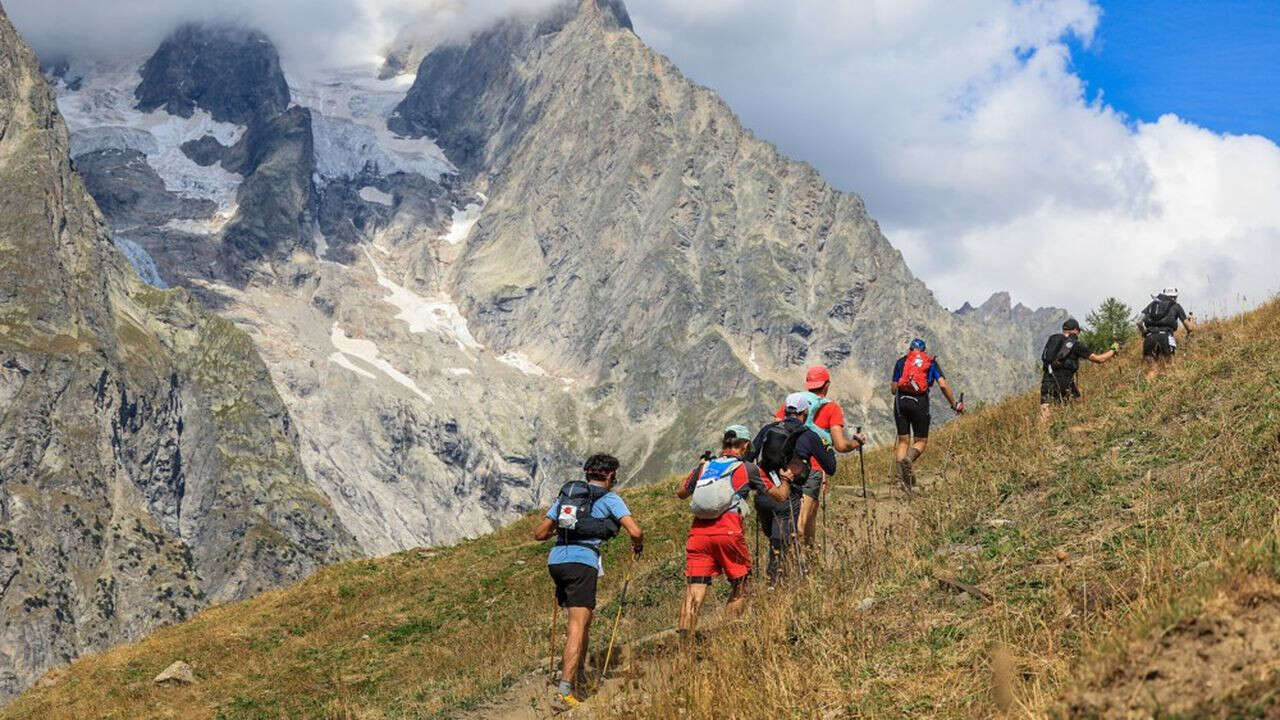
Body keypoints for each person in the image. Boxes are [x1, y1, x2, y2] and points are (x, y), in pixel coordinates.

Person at [533, 454, 643, 709]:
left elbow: (539, 533)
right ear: (609, 475)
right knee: (577, 626)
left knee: (583, 620)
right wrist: (637, 545)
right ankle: (565, 691)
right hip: (582, 563)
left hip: (557, 560)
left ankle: (579, 672)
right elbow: (635, 531)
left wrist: (561, 531)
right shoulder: (610, 498)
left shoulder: (568, 496)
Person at [675, 425, 789, 635]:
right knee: (741, 583)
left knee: (694, 589)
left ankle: (684, 646)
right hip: (728, 531)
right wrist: (787, 479)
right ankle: (728, 636)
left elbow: (682, 493)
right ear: (745, 445)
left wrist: (700, 467)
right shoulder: (747, 469)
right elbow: (780, 496)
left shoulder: (704, 467)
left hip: (698, 534)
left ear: (723, 443)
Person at [771, 366, 866, 547]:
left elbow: (775, 428)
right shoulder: (831, 407)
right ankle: (801, 564)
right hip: (813, 467)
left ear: (808, 385)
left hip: (786, 467)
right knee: (805, 520)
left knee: (796, 514)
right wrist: (857, 442)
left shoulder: (791, 405)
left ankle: (807, 562)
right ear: (826, 385)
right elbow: (840, 445)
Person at [746, 394, 837, 583]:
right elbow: (831, 468)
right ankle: (775, 586)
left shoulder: (768, 429)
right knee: (780, 544)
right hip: (787, 498)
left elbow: (749, 457)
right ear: (805, 412)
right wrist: (827, 448)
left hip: (763, 496)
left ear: (786, 410)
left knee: (775, 541)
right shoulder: (809, 436)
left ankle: (779, 579)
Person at [890, 339, 963, 491]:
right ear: (924, 351)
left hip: (901, 402)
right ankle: (909, 460)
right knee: (921, 441)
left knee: (903, 441)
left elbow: (893, 388)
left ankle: (899, 480)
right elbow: (943, 385)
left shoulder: (901, 362)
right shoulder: (930, 363)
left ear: (910, 349)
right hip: (920, 403)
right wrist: (954, 404)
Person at [1039, 318, 1118, 421]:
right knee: (1076, 409)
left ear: (1064, 330)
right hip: (1066, 383)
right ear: (1076, 330)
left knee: (1045, 414)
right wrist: (1113, 350)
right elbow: (1100, 359)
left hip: (1048, 380)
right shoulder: (1075, 345)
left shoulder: (1053, 340)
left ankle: (1042, 434)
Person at [1139, 287, 1195, 379]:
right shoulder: (1176, 306)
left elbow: (1138, 322)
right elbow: (1190, 328)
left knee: (1153, 370)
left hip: (1149, 338)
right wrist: (1191, 320)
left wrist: (1144, 332)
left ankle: (1145, 390)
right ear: (1175, 297)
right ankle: (1168, 390)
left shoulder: (1151, 305)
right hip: (1165, 337)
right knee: (1169, 367)